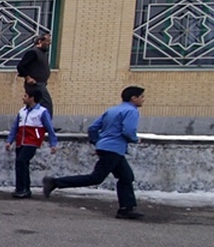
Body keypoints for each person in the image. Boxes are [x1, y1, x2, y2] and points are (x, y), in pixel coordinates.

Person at [43, 86, 145, 220]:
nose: (143, 100)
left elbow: (93, 128)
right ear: (134, 98)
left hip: (108, 147)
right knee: (96, 178)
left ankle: (126, 208)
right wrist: (135, 139)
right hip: (114, 148)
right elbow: (128, 131)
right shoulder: (131, 111)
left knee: (126, 177)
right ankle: (55, 182)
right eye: (142, 97)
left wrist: (97, 142)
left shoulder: (113, 110)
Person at [6, 86, 57, 198]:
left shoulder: (42, 112)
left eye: (25, 96)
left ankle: (22, 188)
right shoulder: (22, 111)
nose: (23, 98)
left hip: (32, 141)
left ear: (32, 98)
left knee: (21, 161)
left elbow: (50, 128)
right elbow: (15, 127)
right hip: (21, 141)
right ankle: (23, 188)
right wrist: (9, 140)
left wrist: (53, 144)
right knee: (21, 164)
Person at [16, 31, 54, 117]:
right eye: (47, 41)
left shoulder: (42, 53)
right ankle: (46, 125)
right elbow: (21, 66)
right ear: (40, 41)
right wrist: (28, 77)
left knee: (36, 105)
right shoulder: (33, 52)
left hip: (41, 84)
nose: (49, 43)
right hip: (35, 84)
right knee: (46, 103)